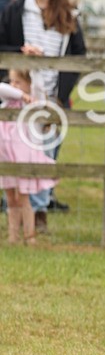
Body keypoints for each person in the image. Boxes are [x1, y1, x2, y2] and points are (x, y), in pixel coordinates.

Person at [0, 0, 86, 231]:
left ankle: (38, 213)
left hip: (51, 94)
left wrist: (63, 92)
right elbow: (3, 47)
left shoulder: (68, 14)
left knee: (46, 155)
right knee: (21, 155)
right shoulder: (16, 10)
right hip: (22, 93)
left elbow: (78, 55)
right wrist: (21, 53)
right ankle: (25, 217)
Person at [0, 70, 58, 245]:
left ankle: (29, 235)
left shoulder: (32, 107)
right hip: (5, 158)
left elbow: (39, 88)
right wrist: (20, 94)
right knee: (10, 198)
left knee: (23, 198)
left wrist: (35, 71)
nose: (13, 85)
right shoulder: (7, 103)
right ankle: (12, 237)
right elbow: (1, 88)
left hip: (23, 158)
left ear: (29, 84)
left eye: (18, 82)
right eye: (12, 82)